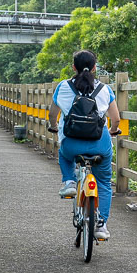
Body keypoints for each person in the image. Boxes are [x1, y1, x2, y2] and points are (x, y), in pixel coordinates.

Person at [48, 50, 120, 241]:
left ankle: (69, 182)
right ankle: (101, 226)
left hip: (72, 143)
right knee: (104, 183)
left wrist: (54, 127)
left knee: (64, 154)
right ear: (95, 68)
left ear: (73, 67)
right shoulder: (105, 89)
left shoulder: (63, 87)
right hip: (99, 145)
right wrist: (113, 130)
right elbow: (116, 118)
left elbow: (52, 114)